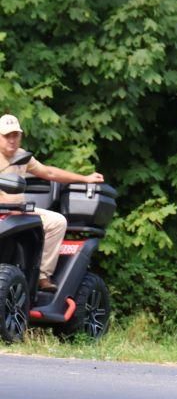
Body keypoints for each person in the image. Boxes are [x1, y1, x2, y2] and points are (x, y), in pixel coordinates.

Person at [0, 114, 104, 291]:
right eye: (6, 135)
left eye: (15, 135)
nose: (11, 140)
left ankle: (41, 276)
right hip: (2, 214)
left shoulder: (22, 156)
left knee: (57, 221)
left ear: (20, 136)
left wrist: (85, 179)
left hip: (20, 213)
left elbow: (49, 173)